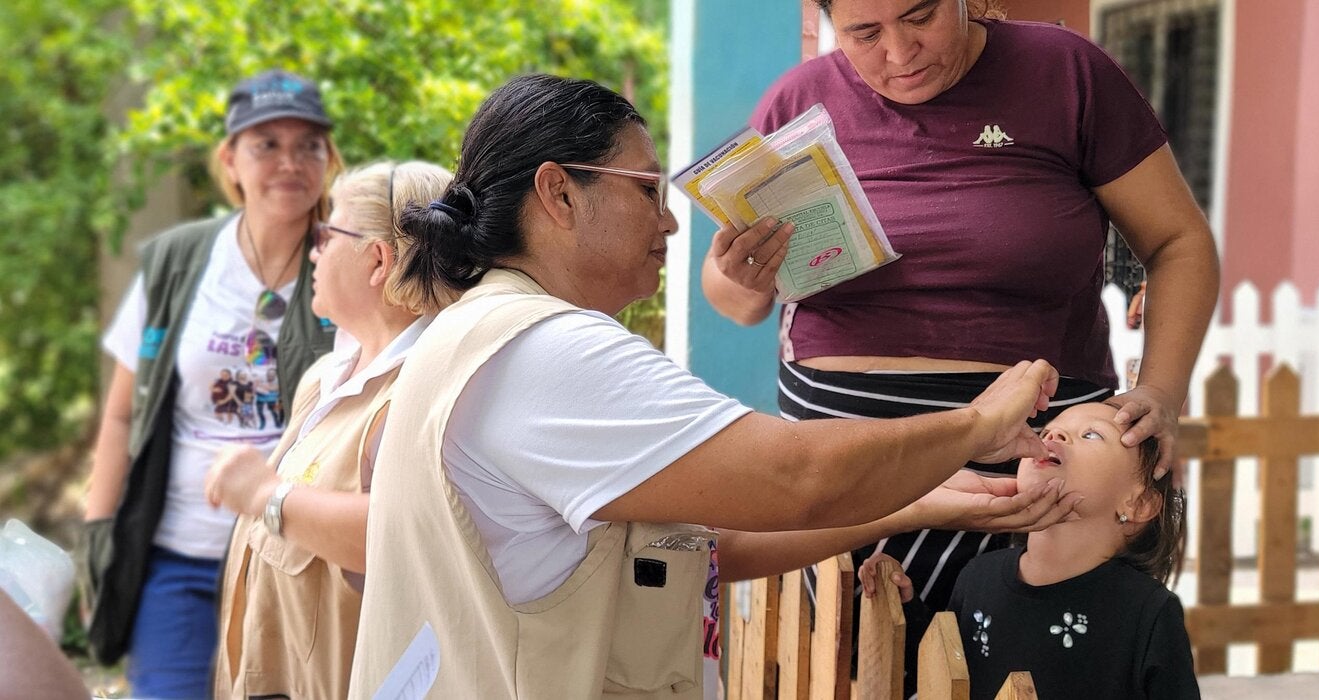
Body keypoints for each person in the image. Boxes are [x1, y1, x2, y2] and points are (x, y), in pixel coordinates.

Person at [348, 74, 1079, 699]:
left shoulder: (483, 333)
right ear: (559, 194)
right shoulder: (547, 349)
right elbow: (797, 475)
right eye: (647, 190)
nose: (668, 222)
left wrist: (914, 502)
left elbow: (702, 541)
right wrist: (978, 425)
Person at [701, 0, 1220, 616]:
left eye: (920, 17)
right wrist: (740, 275)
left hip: (1040, 452)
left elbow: (1179, 242)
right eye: (865, 33)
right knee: (860, 658)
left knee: (1038, 660)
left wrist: (1161, 390)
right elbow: (737, 305)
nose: (899, 53)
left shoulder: (1064, 72)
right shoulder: (800, 101)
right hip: (851, 462)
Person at [81, 69, 342, 697]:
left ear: (329, 159)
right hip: (181, 561)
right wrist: (99, 543)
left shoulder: (347, 260)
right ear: (229, 160)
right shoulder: (178, 261)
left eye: (309, 144)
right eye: (267, 144)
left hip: (297, 564)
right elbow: (120, 417)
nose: (290, 161)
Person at [204, 161, 452, 699]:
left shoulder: (420, 387)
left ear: (377, 261)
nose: (313, 253)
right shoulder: (325, 378)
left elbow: (403, 536)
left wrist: (267, 495)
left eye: (325, 236)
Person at [859, 401, 1198, 699]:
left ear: (1138, 504)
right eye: (1048, 431)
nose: (1054, 437)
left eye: (1091, 435)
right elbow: (946, 671)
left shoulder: (1148, 611)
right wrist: (905, 606)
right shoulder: (979, 575)